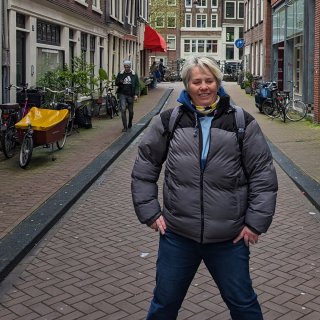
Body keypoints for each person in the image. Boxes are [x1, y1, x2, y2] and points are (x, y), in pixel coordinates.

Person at [131, 55, 278, 320]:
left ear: (218, 83)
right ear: (187, 85)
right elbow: (145, 167)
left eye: (209, 81)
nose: (203, 87)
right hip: (178, 236)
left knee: (244, 306)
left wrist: (255, 223)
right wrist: (150, 213)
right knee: (164, 305)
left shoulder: (242, 123)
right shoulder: (169, 121)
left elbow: (263, 176)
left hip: (229, 238)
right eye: (196, 81)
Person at [115, 60, 139, 132]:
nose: (126, 68)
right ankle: (125, 127)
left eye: (127, 67)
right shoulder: (121, 74)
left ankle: (130, 123)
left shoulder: (134, 75)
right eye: (125, 67)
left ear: (130, 67)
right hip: (122, 94)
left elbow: (137, 85)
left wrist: (136, 94)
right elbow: (116, 83)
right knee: (123, 109)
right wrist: (120, 81)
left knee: (131, 112)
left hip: (130, 95)